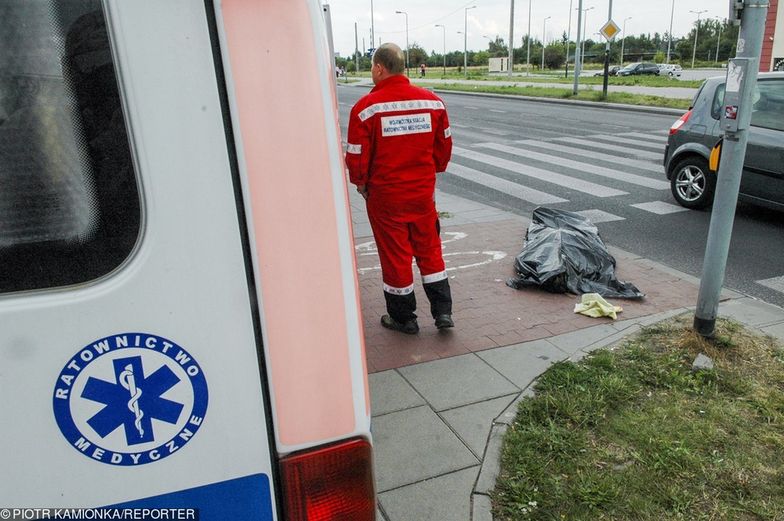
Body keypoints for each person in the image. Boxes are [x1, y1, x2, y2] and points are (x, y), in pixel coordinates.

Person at [345, 43, 453, 335]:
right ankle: (443, 312)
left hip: (385, 198)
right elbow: (443, 149)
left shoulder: (365, 109)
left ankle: (404, 318)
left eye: (372, 67)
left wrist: (361, 183)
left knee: (396, 256)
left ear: (380, 68)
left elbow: (356, 157)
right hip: (422, 196)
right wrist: (429, 174)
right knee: (430, 250)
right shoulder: (433, 103)